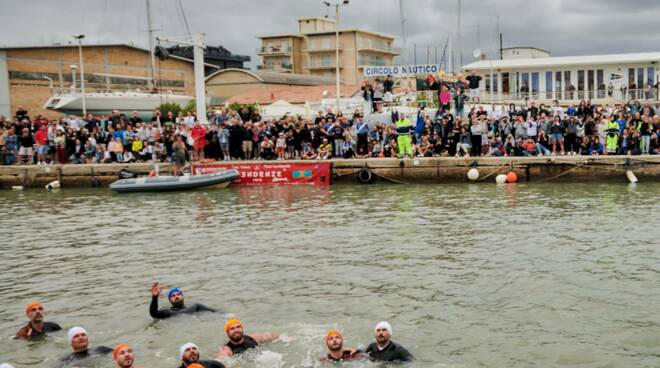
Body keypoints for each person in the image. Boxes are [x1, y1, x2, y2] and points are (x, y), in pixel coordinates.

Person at [149, 282, 215, 319]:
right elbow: (153, 314)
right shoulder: (167, 312)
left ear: (182, 297)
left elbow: (215, 312)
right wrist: (155, 297)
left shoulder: (195, 307)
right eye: (173, 295)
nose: (176, 296)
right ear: (170, 300)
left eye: (178, 294)